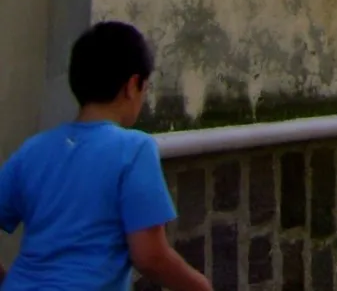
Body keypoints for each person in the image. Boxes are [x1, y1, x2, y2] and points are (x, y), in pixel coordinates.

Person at [0, 22, 211, 291]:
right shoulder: (134, 149)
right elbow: (150, 256)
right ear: (132, 85)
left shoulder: (33, 150)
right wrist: (201, 286)